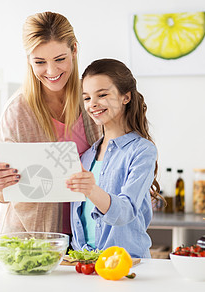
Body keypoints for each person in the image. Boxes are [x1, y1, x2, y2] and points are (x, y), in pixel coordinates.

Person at [0, 12, 100, 235]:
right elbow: (3, 196)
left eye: (60, 59)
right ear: (28, 59)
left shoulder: (93, 100)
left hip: (89, 236)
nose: (51, 71)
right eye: (40, 62)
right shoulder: (17, 111)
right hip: (30, 239)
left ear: (74, 50)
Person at [66, 58, 160, 258]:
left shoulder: (142, 151)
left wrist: (91, 189)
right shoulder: (86, 156)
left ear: (125, 97)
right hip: (85, 262)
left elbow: (126, 211)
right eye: (87, 98)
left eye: (102, 95)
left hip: (126, 264)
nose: (93, 104)